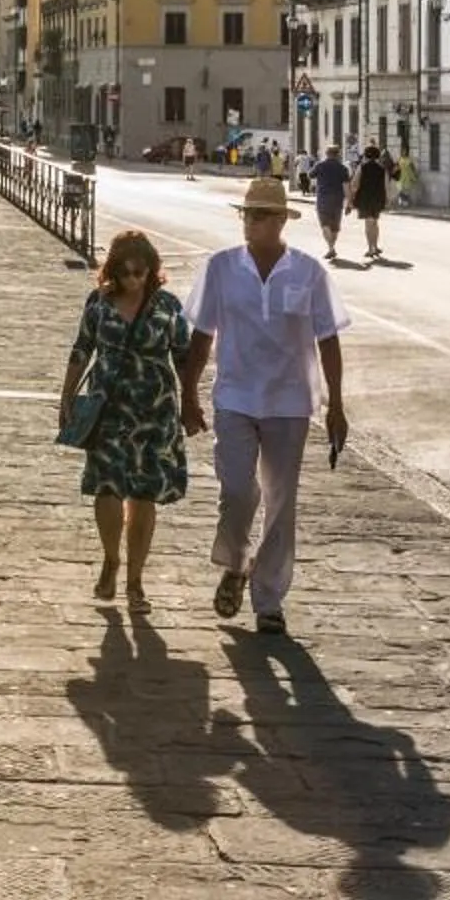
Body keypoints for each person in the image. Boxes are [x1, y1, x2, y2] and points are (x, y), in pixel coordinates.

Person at [180, 176, 348, 637]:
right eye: (246, 214)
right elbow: (201, 335)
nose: (249, 222)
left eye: (258, 215)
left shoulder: (309, 273)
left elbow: (328, 338)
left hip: (289, 400)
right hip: (235, 394)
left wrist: (336, 403)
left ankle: (269, 598)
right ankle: (236, 562)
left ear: (280, 221)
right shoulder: (221, 268)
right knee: (236, 489)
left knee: (281, 500)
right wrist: (188, 392)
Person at [60, 228, 191, 610]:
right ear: (114, 270)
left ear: (152, 269)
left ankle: (135, 582)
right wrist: (66, 396)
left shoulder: (167, 305)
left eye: (141, 272)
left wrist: (192, 401)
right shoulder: (99, 303)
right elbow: (82, 348)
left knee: (144, 493)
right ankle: (111, 559)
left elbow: (183, 356)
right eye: (126, 272)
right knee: (107, 488)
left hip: (154, 411)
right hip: (108, 407)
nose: (134, 280)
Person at [310, 148, 348, 261]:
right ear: (338, 155)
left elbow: (310, 175)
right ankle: (331, 247)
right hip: (337, 199)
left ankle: (331, 248)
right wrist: (349, 202)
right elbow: (346, 186)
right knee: (335, 227)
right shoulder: (343, 168)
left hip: (323, 198)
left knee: (325, 224)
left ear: (326, 154)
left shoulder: (320, 165)